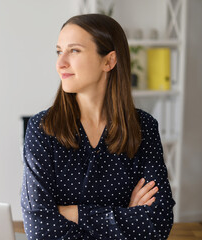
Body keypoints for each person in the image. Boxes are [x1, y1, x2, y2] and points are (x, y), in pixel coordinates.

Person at [20, 14, 175, 240]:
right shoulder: (42, 128)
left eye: (74, 51)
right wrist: (126, 216)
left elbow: (157, 223)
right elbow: (39, 228)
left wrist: (76, 213)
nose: (60, 63)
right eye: (59, 51)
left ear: (109, 61)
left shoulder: (144, 127)